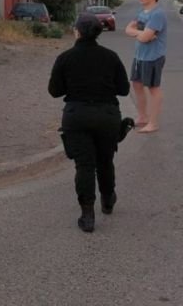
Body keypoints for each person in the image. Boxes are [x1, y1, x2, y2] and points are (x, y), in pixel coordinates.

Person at [48, 13, 130, 233]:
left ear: (77, 32)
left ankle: (87, 215)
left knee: (84, 165)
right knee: (105, 161)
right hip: (107, 115)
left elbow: (54, 91)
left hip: (77, 115)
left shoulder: (65, 58)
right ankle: (108, 199)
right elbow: (124, 89)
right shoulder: (111, 57)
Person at [124, 0, 167, 133]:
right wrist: (140, 33)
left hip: (153, 57)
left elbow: (144, 38)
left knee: (153, 88)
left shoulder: (157, 14)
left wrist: (139, 34)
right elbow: (128, 29)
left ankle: (153, 123)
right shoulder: (141, 12)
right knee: (137, 85)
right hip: (139, 56)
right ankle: (142, 117)